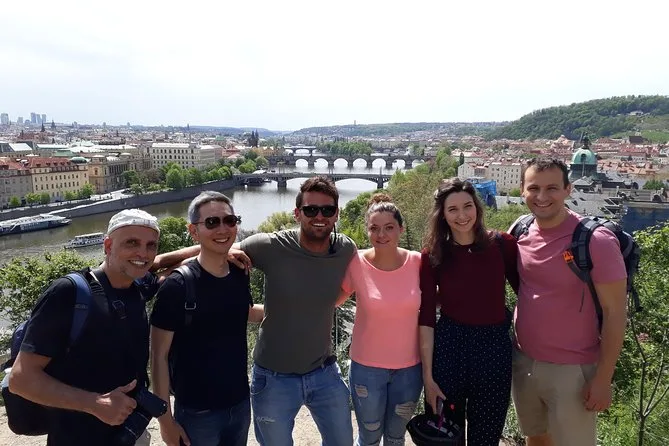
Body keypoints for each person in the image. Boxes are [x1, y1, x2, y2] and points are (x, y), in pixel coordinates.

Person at [8, 209, 162, 446]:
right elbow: (21, 379)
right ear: (108, 246)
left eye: (151, 245)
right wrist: (95, 404)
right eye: (132, 243)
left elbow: (163, 264)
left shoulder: (137, 286)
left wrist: (212, 249)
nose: (143, 253)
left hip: (131, 432)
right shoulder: (69, 293)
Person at [511, 159, 627, 446]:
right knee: (536, 438)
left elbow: (615, 313)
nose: (542, 196)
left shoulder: (595, 241)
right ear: (522, 190)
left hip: (572, 369)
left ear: (567, 189)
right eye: (534, 188)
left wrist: (603, 380)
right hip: (524, 360)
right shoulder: (520, 230)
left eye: (552, 188)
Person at [239, 175, 356, 446]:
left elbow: (371, 269)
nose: (319, 216)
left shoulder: (345, 249)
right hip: (273, 377)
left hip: (324, 372)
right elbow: (214, 250)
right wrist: (159, 262)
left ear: (336, 214)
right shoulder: (271, 246)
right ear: (297, 213)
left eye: (327, 210)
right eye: (310, 209)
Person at [150, 191, 264, 446]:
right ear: (194, 231)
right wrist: (165, 421)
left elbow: (242, 312)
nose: (223, 229)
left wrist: (297, 309)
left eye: (229, 221)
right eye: (212, 222)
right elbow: (158, 356)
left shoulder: (239, 272)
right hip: (197, 411)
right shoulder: (177, 286)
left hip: (239, 403)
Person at [419, 178, 518, 446]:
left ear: (477, 207)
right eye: (453, 209)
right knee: (444, 437)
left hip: (493, 351)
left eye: (467, 206)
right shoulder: (433, 255)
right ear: (442, 214)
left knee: (485, 438)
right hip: (449, 350)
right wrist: (428, 377)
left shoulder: (502, 245)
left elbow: (527, 294)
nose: (462, 215)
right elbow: (426, 317)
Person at [338, 193, 423, 446]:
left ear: (401, 229)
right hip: (366, 369)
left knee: (396, 438)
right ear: (367, 230)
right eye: (374, 228)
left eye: (389, 227)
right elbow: (333, 299)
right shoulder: (356, 263)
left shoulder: (418, 262)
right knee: (369, 437)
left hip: (409, 369)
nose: (381, 234)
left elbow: (440, 300)